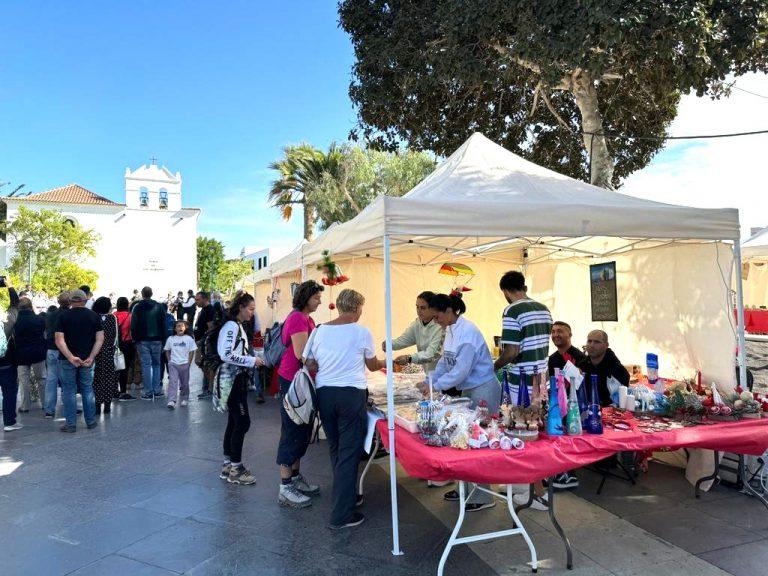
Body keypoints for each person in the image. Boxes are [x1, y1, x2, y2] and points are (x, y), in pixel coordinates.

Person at [305, 289, 383, 529]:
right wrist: (387, 361)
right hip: (351, 394)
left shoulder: (319, 330)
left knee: (337, 448)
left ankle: (345, 495)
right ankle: (341, 515)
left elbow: (307, 360)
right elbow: (371, 366)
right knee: (350, 452)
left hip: (325, 393)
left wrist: (324, 363)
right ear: (357, 308)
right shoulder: (361, 332)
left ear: (339, 307)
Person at [420, 293, 501, 512]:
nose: (435, 321)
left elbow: (459, 371)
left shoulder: (467, 332)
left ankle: (483, 495)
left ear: (448, 311)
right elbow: (445, 364)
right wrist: (430, 381)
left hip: (484, 389)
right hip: (470, 389)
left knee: (478, 442)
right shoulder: (450, 331)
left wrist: (435, 386)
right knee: (462, 439)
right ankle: (464, 487)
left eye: (437, 316)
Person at [493, 270, 553, 511]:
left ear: (506, 291)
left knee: (524, 434)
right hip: (541, 377)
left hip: (523, 381)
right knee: (534, 432)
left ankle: (537, 493)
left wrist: (494, 366)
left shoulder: (512, 310)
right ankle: (522, 483)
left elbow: (511, 351)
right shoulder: (543, 308)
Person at [276, 280, 324, 509]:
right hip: (293, 380)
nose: (320, 301)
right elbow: (301, 354)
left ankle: (294, 479)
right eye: (316, 297)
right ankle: (285, 487)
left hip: (299, 380)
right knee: (293, 429)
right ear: (306, 297)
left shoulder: (306, 318)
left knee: (301, 430)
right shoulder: (297, 318)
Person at [217, 292, 264, 484]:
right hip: (233, 379)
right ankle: (236, 468)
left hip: (236, 378)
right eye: (251, 309)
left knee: (234, 421)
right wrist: (252, 360)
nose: (253, 313)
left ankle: (228, 464)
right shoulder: (232, 326)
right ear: (241, 308)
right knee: (242, 422)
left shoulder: (236, 326)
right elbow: (226, 354)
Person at [55, 289, 104, 432]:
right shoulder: (94, 316)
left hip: (67, 359)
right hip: (87, 359)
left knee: (69, 391)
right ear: (85, 300)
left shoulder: (63, 316)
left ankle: (71, 424)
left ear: (70, 301)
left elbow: (59, 340)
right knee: (87, 389)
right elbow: (100, 339)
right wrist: (91, 357)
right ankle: (91, 421)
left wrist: (70, 357)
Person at [547, 321, 587, 491]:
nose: (556, 334)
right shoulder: (552, 359)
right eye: (553, 331)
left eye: (560, 331)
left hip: (577, 406)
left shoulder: (581, 357)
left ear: (570, 334)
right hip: (558, 405)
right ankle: (558, 471)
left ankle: (569, 474)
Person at [384, 290, 443, 372]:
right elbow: (404, 340)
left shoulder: (441, 326)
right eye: (417, 307)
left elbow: (431, 354)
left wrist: (409, 358)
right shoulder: (417, 323)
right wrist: (389, 344)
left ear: (433, 309)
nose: (418, 311)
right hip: (430, 375)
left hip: (444, 376)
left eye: (423, 308)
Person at [130, 286, 166, 400]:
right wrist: (164, 339)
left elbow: (133, 324)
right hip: (157, 339)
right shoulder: (159, 306)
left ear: (142, 294)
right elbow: (163, 323)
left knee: (146, 365)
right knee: (157, 364)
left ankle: (148, 391)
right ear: (152, 293)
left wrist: (135, 339)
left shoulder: (137, 307)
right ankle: (157, 390)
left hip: (142, 340)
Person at [578, 330, 630, 407]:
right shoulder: (582, 366)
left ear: (606, 345)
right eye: (589, 341)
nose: (591, 345)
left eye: (597, 342)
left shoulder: (617, 369)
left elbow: (619, 401)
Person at [14, 297, 47, 413]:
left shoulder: (16, 321)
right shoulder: (39, 319)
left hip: (21, 354)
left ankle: (25, 406)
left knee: (24, 381)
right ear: (30, 306)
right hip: (38, 353)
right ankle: (45, 404)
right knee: (42, 379)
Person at [43, 291, 70, 417]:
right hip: (65, 349)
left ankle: (49, 409)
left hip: (51, 348)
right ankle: (69, 406)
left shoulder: (50, 315)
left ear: (58, 302)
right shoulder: (70, 315)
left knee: (51, 379)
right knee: (67, 379)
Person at [92, 297, 119, 415]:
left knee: (96, 379)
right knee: (109, 378)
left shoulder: (93, 317)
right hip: (109, 351)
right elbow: (116, 335)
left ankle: (97, 405)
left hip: (95, 351)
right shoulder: (112, 318)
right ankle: (107, 405)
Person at [1, 284, 21, 431]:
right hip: (6, 363)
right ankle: (9, 422)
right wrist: (10, 287)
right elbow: (15, 303)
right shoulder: (8, 320)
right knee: (9, 392)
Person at [164, 320, 196, 409]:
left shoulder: (189, 339)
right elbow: (167, 350)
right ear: (175, 328)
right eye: (178, 326)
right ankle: (171, 400)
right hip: (173, 364)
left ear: (185, 328)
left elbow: (192, 351)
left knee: (184, 383)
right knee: (173, 382)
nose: (180, 327)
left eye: (182, 326)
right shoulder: (170, 339)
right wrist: (169, 361)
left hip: (185, 364)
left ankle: (184, 398)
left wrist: (188, 363)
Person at [194, 291, 216, 399]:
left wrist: (203, 340)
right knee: (202, 364)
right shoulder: (203, 310)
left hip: (205, 343)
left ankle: (210, 389)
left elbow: (211, 328)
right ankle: (207, 388)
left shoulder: (210, 310)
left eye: (198, 299)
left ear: (204, 299)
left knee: (204, 364)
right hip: (200, 342)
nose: (196, 302)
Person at [113, 297, 136, 401]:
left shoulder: (113, 316)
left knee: (114, 367)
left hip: (114, 345)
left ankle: (113, 390)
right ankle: (123, 391)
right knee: (124, 368)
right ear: (127, 305)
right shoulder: (130, 316)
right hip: (127, 344)